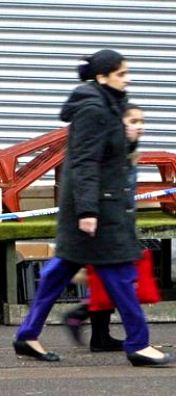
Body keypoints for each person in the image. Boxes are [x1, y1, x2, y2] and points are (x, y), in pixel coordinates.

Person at [12, 49, 172, 367]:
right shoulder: (93, 109)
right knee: (119, 276)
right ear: (102, 77)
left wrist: (127, 141)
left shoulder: (112, 106)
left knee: (59, 273)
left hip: (100, 206)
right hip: (97, 209)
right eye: (121, 73)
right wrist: (87, 212)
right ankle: (138, 343)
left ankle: (27, 334)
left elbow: (110, 156)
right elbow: (84, 163)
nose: (127, 79)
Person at [63, 103, 146, 352]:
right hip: (105, 225)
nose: (139, 126)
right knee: (115, 280)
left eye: (142, 121)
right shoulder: (110, 152)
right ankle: (81, 317)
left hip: (118, 224)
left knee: (108, 281)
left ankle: (99, 334)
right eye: (133, 121)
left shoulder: (128, 152)